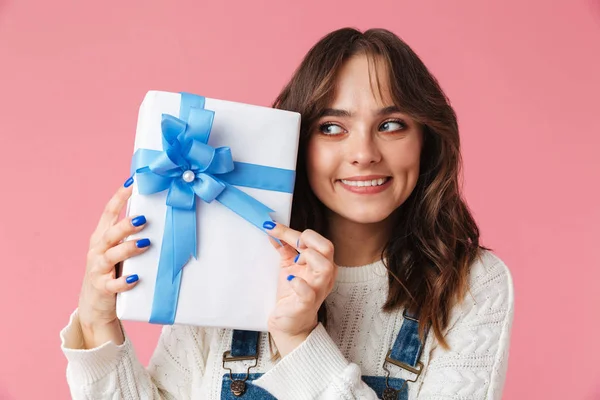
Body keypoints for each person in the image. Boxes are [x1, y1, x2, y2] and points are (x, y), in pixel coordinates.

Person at [60, 27, 514, 399]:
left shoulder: (470, 286)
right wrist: (98, 318)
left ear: (426, 137)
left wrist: (299, 339)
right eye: (332, 127)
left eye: (390, 125)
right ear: (298, 144)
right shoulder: (227, 254)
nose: (363, 153)